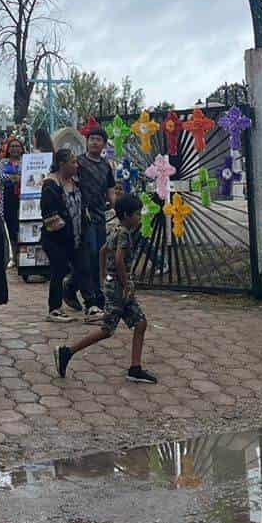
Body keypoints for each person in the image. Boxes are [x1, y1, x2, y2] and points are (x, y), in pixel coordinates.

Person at [53, 193, 157, 384]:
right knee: (107, 329)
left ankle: (135, 367)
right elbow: (118, 260)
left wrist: (103, 279)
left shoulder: (116, 230)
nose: (139, 217)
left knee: (140, 323)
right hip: (119, 288)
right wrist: (124, 285)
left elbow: (103, 251)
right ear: (126, 215)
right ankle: (67, 352)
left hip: (114, 285)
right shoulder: (124, 233)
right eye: (137, 213)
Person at [39, 148, 97, 321]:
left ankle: (91, 306)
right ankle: (54, 309)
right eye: (72, 162)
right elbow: (50, 215)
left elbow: (82, 207)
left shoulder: (76, 183)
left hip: (77, 236)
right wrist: (66, 233)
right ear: (61, 164)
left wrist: (83, 228)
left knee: (84, 269)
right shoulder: (50, 185)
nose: (76, 165)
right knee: (59, 271)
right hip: (57, 239)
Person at [74, 127, 117, 316]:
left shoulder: (105, 166)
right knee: (90, 254)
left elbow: (110, 190)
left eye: (98, 139)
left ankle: (71, 286)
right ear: (87, 141)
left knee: (99, 256)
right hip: (83, 216)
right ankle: (92, 299)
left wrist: (118, 209)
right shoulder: (79, 163)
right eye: (91, 139)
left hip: (100, 216)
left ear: (104, 144)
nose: (94, 142)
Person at [0, 135, 26, 266]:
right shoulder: (3, 163)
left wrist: (14, 177)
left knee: (23, 226)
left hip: (24, 199)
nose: (15, 149)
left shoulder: (26, 161)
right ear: (8, 149)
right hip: (8, 198)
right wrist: (17, 177)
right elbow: (1, 176)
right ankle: (14, 256)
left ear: (22, 149)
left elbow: (29, 175)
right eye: (12, 147)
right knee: (11, 226)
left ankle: (24, 256)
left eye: (17, 146)